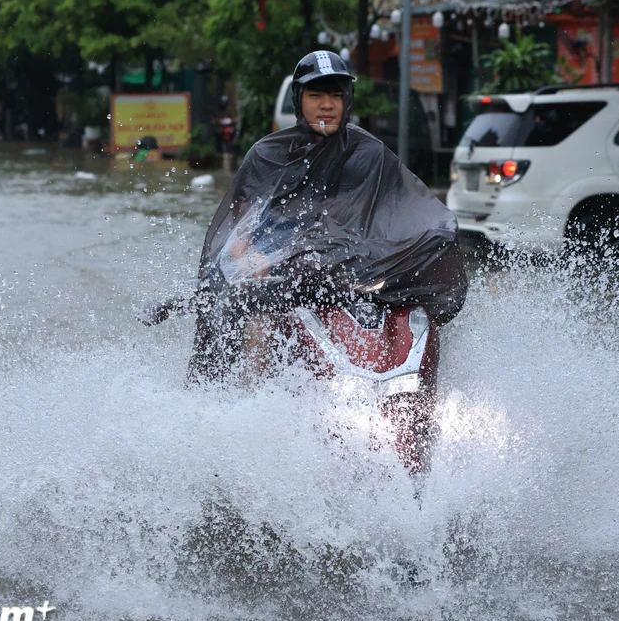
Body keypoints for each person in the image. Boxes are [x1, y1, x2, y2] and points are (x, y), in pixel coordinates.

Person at [179, 51, 468, 383]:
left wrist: (435, 236)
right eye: (316, 95)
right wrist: (250, 260)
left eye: (335, 95)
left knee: (416, 315)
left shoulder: (368, 154)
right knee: (250, 314)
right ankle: (247, 399)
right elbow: (238, 232)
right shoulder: (267, 155)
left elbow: (408, 211)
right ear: (299, 100)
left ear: (347, 100)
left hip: (346, 276)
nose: (327, 105)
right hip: (278, 278)